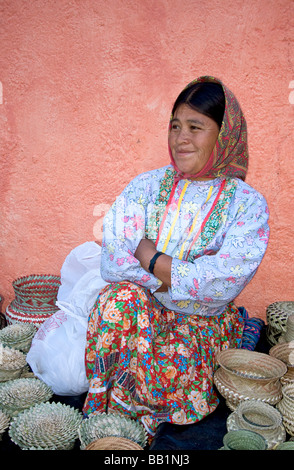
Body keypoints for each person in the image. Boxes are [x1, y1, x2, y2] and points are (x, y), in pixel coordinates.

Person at [82, 75, 269, 439]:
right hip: (142, 311)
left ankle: (144, 414)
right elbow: (113, 258)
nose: (181, 138)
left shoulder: (246, 204)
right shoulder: (147, 186)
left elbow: (221, 282)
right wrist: (172, 278)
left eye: (195, 127)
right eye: (175, 126)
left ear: (224, 134)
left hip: (200, 326)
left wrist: (149, 256)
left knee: (165, 342)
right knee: (117, 300)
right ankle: (113, 419)